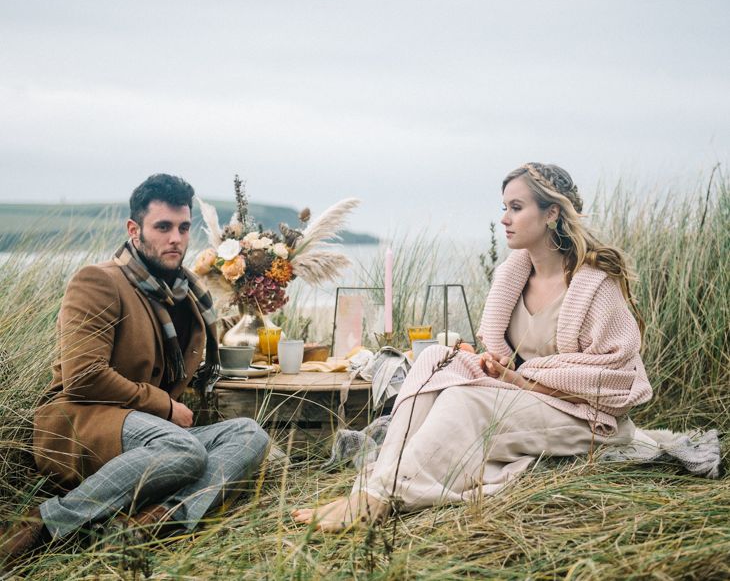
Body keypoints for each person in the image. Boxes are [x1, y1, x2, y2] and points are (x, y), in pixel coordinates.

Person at [293, 162, 652, 531]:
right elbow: (510, 359)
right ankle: (371, 489)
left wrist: (518, 379)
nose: (504, 219)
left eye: (516, 207)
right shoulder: (512, 277)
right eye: (504, 208)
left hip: (583, 417)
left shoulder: (594, 286)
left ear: (552, 213)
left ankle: (379, 498)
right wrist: (489, 366)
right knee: (435, 357)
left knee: (463, 399)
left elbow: (616, 381)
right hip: (523, 399)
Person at [1, 174, 269, 570]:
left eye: (182, 227)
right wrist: (163, 407)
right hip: (83, 424)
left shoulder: (186, 292)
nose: (175, 238)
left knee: (250, 435)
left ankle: (149, 522)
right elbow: (82, 376)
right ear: (134, 229)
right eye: (162, 227)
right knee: (185, 448)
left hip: (149, 433)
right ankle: (48, 522)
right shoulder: (98, 281)